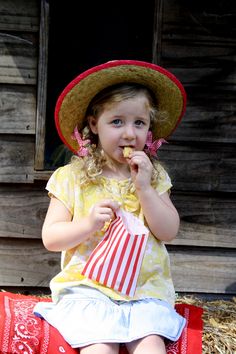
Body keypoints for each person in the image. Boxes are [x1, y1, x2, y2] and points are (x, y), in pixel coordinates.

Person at [34, 60, 187, 354]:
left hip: (143, 292)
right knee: (100, 347)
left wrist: (144, 188)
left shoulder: (153, 178)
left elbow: (168, 231)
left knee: (151, 347)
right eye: (117, 122)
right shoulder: (72, 178)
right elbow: (51, 238)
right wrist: (88, 223)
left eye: (139, 123)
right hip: (88, 290)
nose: (130, 134)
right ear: (94, 125)